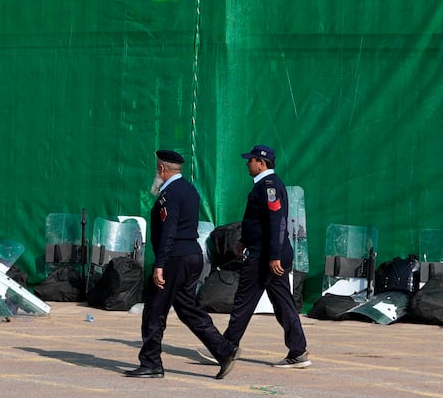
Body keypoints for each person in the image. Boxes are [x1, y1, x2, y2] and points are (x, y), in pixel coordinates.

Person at [123, 149, 239, 379]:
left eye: (157, 169)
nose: (156, 173)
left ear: (162, 169)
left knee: (154, 311)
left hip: (175, 258)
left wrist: (160, 264)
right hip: (191, 255)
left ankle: (151, 363)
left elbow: (169, 230)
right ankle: (224, 350)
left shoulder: (170, 194)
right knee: (188, 310)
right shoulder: (189, 189)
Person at [218, 143, 310, 369]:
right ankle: (298, 351)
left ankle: (226, 347)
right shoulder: (265, 185)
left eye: (250, 160)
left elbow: (277, 222)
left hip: (265, 256)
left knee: (244, 300)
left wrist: (274, 255)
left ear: (261, 163)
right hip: (265, 252)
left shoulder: (268, 186)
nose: (247, 163)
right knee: (282, 302)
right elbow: (258, 222)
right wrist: (244, 241)